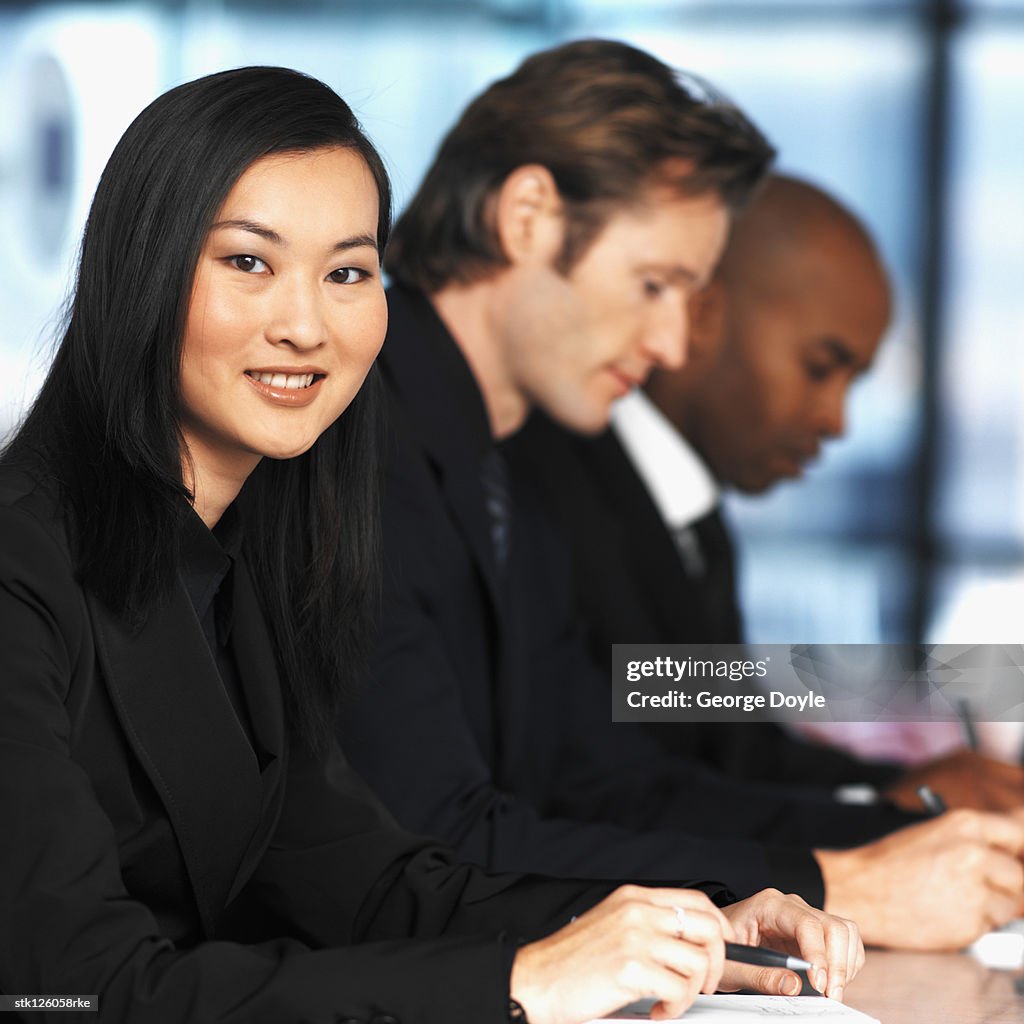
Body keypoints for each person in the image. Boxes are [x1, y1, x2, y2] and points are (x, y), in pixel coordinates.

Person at [0, 66, 862, 1024]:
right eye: (248, 261)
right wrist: (523, 984)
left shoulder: (243, 556)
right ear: (142, 269)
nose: (303, 326)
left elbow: (372, 879)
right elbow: (70, 989)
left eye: (348, 273)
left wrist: (702, 921)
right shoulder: (30, 558)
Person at [339, 41, 1024, 953]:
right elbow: (430, 840)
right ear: (530, 217)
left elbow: (606, 777)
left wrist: (901, 845)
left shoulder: (502, 465)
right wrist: (844, 877)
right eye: (656, 285)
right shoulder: (353, 442)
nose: (671, 343)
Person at [513, 173, 1024, 814]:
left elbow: (736, 751)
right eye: (820, 368)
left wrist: (903, 792)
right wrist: (885, 810)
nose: (837, 421)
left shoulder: (690, 516)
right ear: (700, 316)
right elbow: (610, 789)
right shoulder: (548, 494)